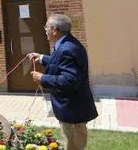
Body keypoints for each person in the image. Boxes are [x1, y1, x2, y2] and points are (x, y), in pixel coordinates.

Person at [29, 14, 98, 150]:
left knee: (73, 147)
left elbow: (70, 80)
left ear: (54, 30)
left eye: (46, 27)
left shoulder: (68, 48)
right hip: (71, 109)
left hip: (73, 111)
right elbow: (59, 62)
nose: (45, 30)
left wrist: (43, 78)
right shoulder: (65, 44)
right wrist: (42, 58)